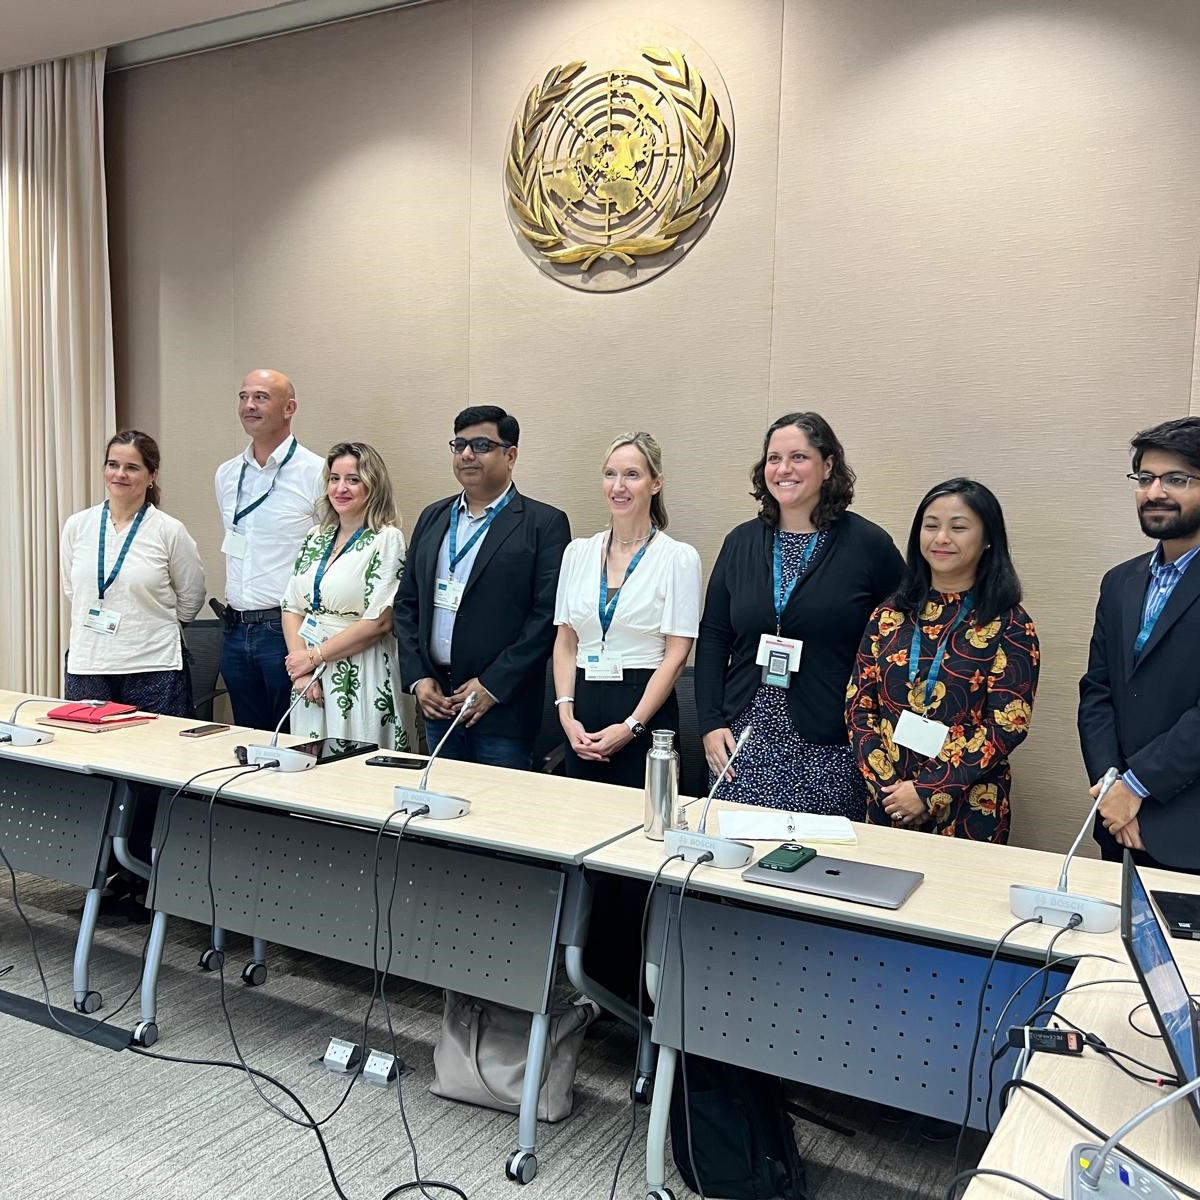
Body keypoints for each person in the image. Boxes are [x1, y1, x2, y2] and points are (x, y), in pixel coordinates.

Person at [695, 412, 903, 816]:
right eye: (774, 458)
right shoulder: (740, 542)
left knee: (816, 868)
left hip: (830, 745)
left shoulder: (868, 545)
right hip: (743, 741)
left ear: (827, 466)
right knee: (733, 865)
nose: (783, 469)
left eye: (798, 457)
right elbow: (715, 636)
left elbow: (901, 639)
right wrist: (709, 723)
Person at [846, 479, 1040, 842]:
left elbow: (1007, 726)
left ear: (987, 540)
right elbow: (859, 705)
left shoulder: (1010, 623)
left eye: (959, 527)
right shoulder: (889, 614)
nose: (941, 538)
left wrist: (925, 792)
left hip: (970, 806)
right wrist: (888, 788)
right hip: (886, 802)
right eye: (931, 526)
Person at [394, 406, 571, 769]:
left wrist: (492, 685)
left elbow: (546, 617)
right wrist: (418, 678)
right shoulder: (433, 516)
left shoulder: (544, 524)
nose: (467, 455)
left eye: (480, 445)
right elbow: (406, 604)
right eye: (459, 445)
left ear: (511, 455)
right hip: (437, 700)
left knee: (499, 815)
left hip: (502, 710)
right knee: (437, 811)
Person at [1079, 417, 1200, 871]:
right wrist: (1112, 784)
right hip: (1118, 823)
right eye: (1145, 478)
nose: (1154, 492)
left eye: (1177, 479)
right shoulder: (1120, 582)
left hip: (1188, 831)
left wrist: (1139, 784)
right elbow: (1098, 690)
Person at [552, 432, 702, 786]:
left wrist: (631, 726)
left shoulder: (678, 558)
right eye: (610, 474)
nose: (618, 486)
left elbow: (677, 655)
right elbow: (565, 641)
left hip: (645, 713)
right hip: (581, 714)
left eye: (632, 475)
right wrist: (566, 715)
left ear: (655, 483)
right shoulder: (577, 553)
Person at [62, 430, 206, 714]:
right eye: (113, 464)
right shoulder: (78, 526)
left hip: (153, 663)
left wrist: (151, 626)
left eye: (132, 467)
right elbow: (73, 588)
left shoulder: (168, 530)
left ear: (152, 475)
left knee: (153, 754)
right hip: (88, 662)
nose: (120, 474)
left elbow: (192, 595)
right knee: (90, 751)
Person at [215, 369, 324, 732]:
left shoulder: (316, 472)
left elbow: (330, 552)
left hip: (286, 630)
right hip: (235, 629)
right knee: (249, 740)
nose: (249, 405)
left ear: (289, 407)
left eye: (261, 397)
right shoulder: (227, 474)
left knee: (294, 740)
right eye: (243, 396)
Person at [281, 442, 409, 749]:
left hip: (361, 670)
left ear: (373, 485)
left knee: (358, 772)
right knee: (308, 767)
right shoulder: (316, 536)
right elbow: (291, 606)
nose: (341, 488)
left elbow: (379, 622)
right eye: (334, 478)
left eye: (353, 479)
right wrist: (302, 671)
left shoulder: (387, 539)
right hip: (309, 675)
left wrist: (313, 657)